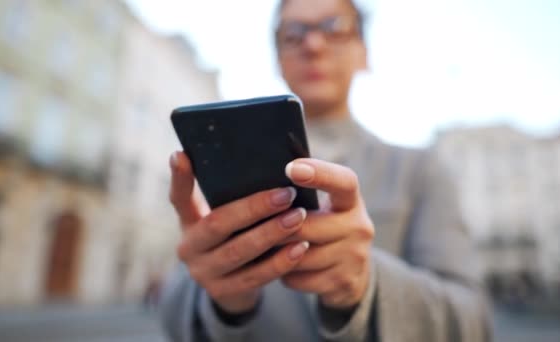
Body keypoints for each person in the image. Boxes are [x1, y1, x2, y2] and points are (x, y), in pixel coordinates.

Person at [160, 0, 492, 341]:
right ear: (278, 59)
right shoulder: (223, 170)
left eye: (334, 27)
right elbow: (172, 309)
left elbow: (474, 321)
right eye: (293, 33)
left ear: (363, 53)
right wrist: (220, 304)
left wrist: (368, 285)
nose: (313, 44)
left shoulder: (421, 169)